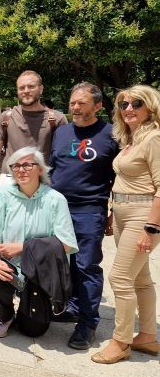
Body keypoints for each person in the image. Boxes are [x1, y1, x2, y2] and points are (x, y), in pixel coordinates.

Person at [91, 85, 160, 364]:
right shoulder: (130, 139)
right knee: (140, 279)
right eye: (123, 104)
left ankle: (121, 342)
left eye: (136, 103)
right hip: (122, 212)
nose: (129, 108)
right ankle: (147, 336)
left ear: (151, 107)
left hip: (143, 215)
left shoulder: (154, 138)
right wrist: (112, 212)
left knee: (119, 278)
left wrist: (151, 228)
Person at [0, 147, 78, 339]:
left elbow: (66, 244)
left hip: (41, 270)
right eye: (16, 165)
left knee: (33, 331)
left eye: (27, 165)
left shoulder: (56, 200)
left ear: (40, 170)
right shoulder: (4, 195)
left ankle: (30, 309)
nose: (21, 170)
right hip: (10, 265)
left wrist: (23, 248)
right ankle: (6, 314)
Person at [49, 83, 117, 350]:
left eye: (82, 104)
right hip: (57, 209)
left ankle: (88, 324)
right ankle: (74, 307)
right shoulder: (62, 132)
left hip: (89, 210)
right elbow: (53, 167)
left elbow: (119, 176)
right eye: (72, 102)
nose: (75, 108)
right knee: (64, 264)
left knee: (86, 266)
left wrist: (113, 212)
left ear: (98, 106)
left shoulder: (111, 134)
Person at [0, 70, 67, 195]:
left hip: (42, 180)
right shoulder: (6, 117)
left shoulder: (57, 119)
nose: (26, 90)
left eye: (31, 86)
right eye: (21, 87)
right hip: (10, 179)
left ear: (41, 89)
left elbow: (63, 156)